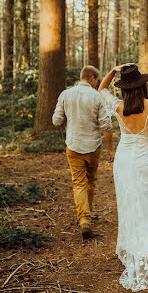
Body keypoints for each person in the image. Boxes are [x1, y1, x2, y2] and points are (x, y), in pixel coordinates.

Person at [99, 63, 148, 292]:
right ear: (142, 86)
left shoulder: (119, 107)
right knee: (147, 205)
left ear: (123, 88)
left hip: (124, 161)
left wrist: (113, 70)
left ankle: (134, 250)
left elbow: (101, 90)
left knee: (129, 206)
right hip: (142, 162)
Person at [52, 65, 114, 240]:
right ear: (92, 78)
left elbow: (56, 121)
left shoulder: (65, 94)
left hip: (73, 145)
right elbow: (106, 126)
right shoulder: (97, 97)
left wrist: (69, 119)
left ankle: (84, 219)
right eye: (97, 81)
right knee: (91, 181)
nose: (97, 83)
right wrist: (110, 149)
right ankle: (86, 215)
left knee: (78, 183)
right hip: (93, 147)